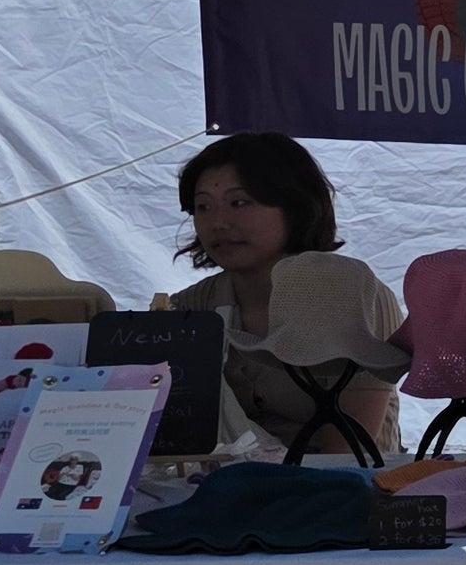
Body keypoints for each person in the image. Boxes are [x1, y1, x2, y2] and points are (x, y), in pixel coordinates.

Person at [170, 131, 405, 456]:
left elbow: (346, 453)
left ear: (295, 206)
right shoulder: (190, 308)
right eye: (203, 206)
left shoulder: (355, 296)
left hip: (345, 491)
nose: (218, 223)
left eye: (239, 203)